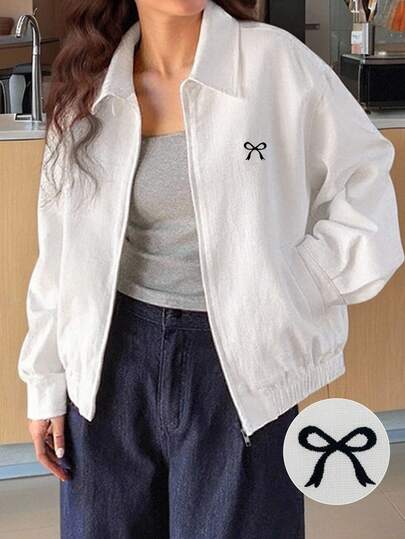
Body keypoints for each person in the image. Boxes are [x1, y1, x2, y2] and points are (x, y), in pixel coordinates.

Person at [17, 0, 404, 537]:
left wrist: (299, 283)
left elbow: (366, 182)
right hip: (107, 362)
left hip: (239, 368)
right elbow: (58, 251)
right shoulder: (89, 86)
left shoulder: (274, 62)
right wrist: (45, 382)